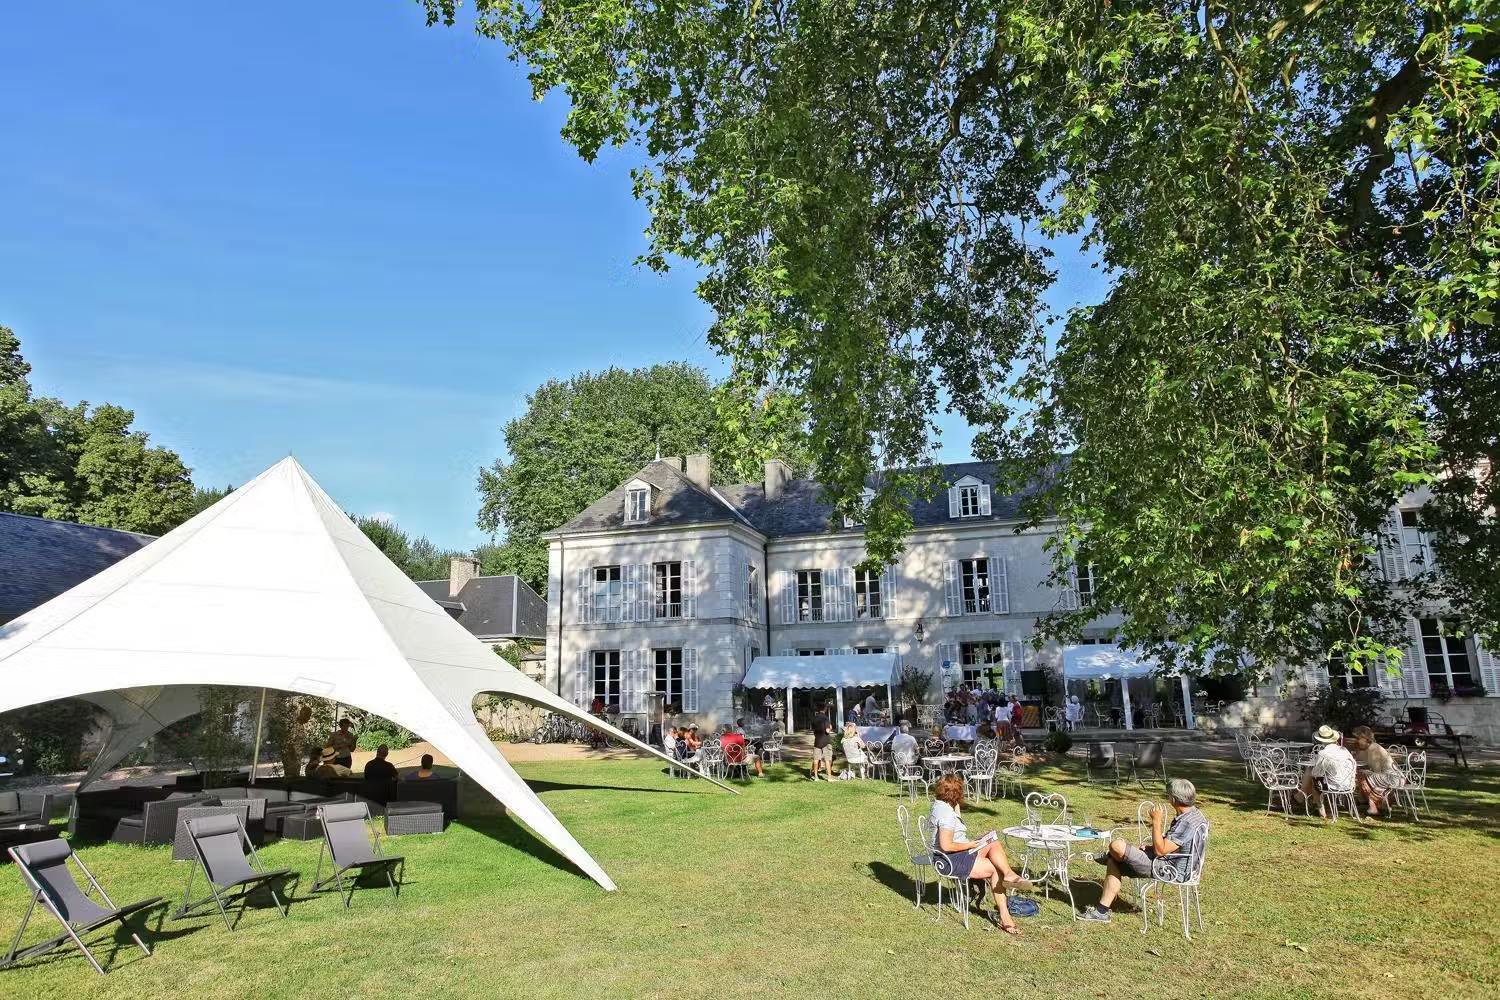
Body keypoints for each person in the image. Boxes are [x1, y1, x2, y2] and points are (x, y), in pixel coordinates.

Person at [1081, 777, 1207, 922]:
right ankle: (1101, 911)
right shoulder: (1196, 815)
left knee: (1116, 846)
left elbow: (1161, 851)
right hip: (1179, 865)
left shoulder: (1186, 822)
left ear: (1173, 799)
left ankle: (1110, 856)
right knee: (1114, 860)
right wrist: (1150, 848)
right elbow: (1176, 846)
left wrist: (1156, 820)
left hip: (1169, 869)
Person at [928, 774, 1031, 935]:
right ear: (958, 793)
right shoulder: (946, 813)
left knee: (992, 840)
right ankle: (1005, 916)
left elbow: (954, 827)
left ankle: (1009, 875)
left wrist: (956, 802)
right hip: (949, 860)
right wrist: (970, 845)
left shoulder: (941, 805)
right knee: (995, 868)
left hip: (957, 853)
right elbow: (946, 845)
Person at [1300, 725, 1357, 817]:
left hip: (1333, 785)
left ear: (1320, 740)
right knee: (1315, 775)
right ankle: (1303, 798)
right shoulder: (1344, 750)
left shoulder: (1323, 753)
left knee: (1313, 777)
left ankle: (1319, 808)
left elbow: (1316, 773)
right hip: (1348, 784)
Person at [1349, 725, 1404, 818]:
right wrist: (1358, 751)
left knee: (1363, 774)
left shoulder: (1373, 748)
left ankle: (1373, 806)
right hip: (1393, 777)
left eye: (1358, 738)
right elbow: (1358, 759)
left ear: (1364, 737)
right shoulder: (1370, 747)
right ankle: (1365, 800)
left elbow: (1376, 771)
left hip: (1393, 778)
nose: (1357, 741)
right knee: (1363, 773)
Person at [810, 704, 834, 781]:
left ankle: (816, 776)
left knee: (816, 759)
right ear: (825, 709)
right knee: (827, 759)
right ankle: (829, 777)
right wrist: (830, 728)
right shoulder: (825, 718)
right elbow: (827, 730)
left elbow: (813, 730)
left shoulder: (814, 718)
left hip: (817, 741)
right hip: (826, 741)